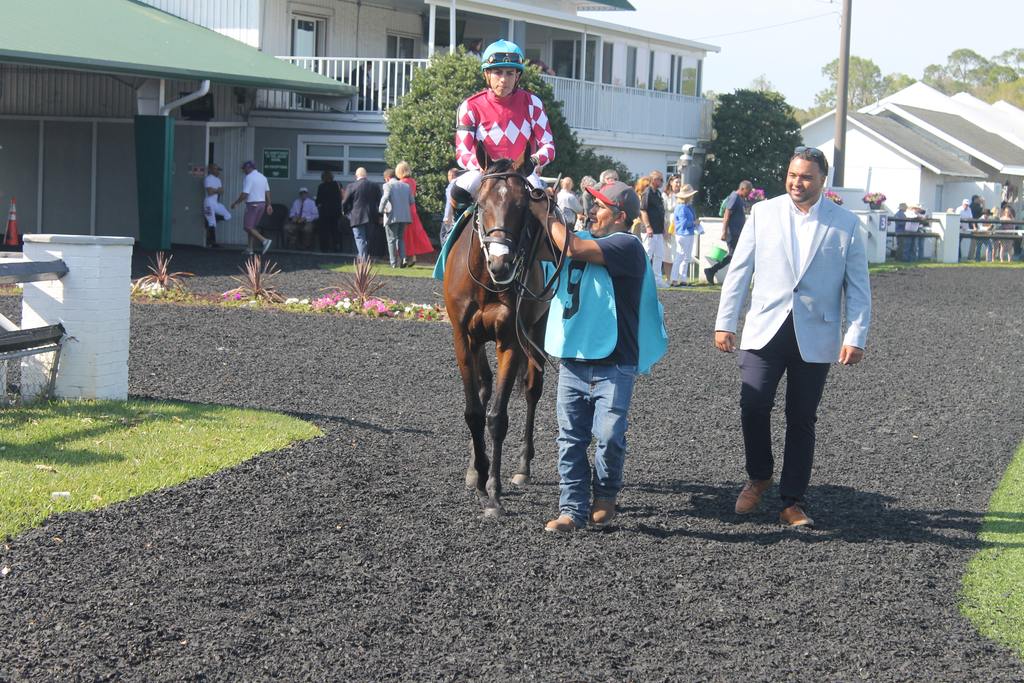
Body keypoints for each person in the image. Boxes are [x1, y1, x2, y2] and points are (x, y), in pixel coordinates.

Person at [713, 147, 871, 528]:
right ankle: (759, 476)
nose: (797, 183)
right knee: (752, 407)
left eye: (806, 177)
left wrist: (857, 335)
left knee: (801, 419)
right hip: (764, 329)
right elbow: (739, 271)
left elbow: (859, 287)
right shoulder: (762, 213)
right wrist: (726, 321)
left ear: (822, 180)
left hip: (816, 334)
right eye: (792, 175)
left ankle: (792, 501)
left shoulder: (846, 223)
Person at [540, 180, 668, 532]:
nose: (591, 211)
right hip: (574, 358)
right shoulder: (590, 237)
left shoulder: (626, 244)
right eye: (591, 205)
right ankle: (571, 509)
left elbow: (575, 248)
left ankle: (607, 492)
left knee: (610, 435)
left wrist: (548, 213)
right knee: (570, 438)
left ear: (620, 216)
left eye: (599, 207)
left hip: (615, 361)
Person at [451, 40, 555, 207]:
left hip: (522, 173)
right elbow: (462, 153)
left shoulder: (533, 103)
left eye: (510, 73)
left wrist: (533, 161)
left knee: (542, 201)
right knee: (458, 190)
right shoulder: (470, 106)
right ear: (487, 74)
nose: (503, 79)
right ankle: (452, 231)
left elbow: (549, 147)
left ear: (517, 76)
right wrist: (484, 166)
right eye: (498, 72)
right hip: (484, 172)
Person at [705, 180, 752, 283]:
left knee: (734, 255)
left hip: (737, 232)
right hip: (732, 232)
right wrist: (724, 231)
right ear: (743, 188)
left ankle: (712, 271)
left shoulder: (739, 198)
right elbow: (727, 214)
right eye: (748, 191)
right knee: (733, 255)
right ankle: (712, 270)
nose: (749, 193)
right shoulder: (734, 197)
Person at [229, 160, 272, 256]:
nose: (243, 171)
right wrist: (269, 204)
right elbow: (267, 191)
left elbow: (245, 194)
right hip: (262, 204)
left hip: (253, 204)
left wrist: (236, 203)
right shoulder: (262, 177)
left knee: (247, 227)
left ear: (248, 168)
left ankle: (264, 241)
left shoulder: (249, 177)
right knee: (252, 227)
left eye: (244, 169)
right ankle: (250, 249)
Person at [395, 161, 433, 266]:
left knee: (404, 235)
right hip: (412, 210)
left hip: (404, 210)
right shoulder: (412, 181)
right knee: (413, 234)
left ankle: (405, 258)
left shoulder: (401, 183)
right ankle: (413, 257)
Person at [342, 167, 382, 260]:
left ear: (356, 175)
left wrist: (345, 213)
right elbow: (380, 202)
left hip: (356, 216)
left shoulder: (351, 186)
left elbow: (344, 202)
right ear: (366, 175)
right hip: (372, 216)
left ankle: (363, 259)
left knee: (360, 238)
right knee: (367, 239)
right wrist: (380, 215)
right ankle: (363, 257)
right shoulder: (374, 186)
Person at [379, 168, 414, 268]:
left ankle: (393, 263)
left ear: (387, 178)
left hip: (392, 216)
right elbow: (412, 201)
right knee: (401, 239)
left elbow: (385, 198)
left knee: (391, 240)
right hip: (404, 217)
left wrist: (380, 210)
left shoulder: (387, 185)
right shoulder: (406, 186)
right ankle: (403, 260)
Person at [639, 170, 668, 287]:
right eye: (660, 179)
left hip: (658, 229)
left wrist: (663, 228)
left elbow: (661, 212)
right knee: (647, 254)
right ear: (654, 180)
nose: (662, 182)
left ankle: (658, 280)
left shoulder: (658, 193)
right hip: (649, 230)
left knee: (659, 255)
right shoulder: (647, 193)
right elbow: (643, 210)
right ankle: (643, 279)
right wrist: (648, 226)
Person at [669, 183, 700, 286]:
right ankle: (674, 279)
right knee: (681, 256)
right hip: (684, 234)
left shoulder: (685, 207)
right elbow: (683, 224)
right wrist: (694, 223)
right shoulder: (682, 208)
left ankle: (682, 279)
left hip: (685, 234)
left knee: (684, 257)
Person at [202, 163, 230, 248]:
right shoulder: (208, 179)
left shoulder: (218, 180)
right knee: (212, 222)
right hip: (208, 203)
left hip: (215, 202)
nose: (218, 171)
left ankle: (209, 221)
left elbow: (222, 192)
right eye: (216, 169)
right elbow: (209, 192)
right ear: (210, 170)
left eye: (218, 169)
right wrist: (217, 190)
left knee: (228, 216)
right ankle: (212, 242)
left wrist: (216, 190)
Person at [315, 170, 344, 252]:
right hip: (336, 211)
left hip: (325, 212)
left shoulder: (321, 186)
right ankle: (337, 247)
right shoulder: (338, 184)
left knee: (324, 231)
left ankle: (324, 248)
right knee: (335, 230)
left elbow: (318, 200)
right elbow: (342, 196)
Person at [440, 168, 460, 245]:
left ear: (451, 175)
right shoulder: (460, 184)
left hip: (451, 218)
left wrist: (446, 218)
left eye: (448, 175)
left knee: (444, 237)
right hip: (460, 216)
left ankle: (446, 256)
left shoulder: (451, 186)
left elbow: (449, 202)